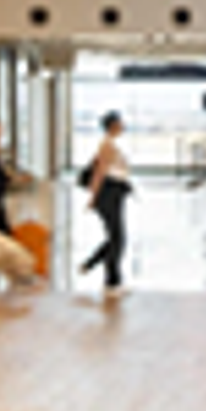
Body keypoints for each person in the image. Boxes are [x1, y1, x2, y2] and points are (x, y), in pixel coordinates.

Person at [78, 112, 132, 296]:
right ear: (113, 125)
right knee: (118, 238)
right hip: (108, 194)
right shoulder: (107, 145)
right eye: (120, 123)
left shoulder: (110, 144)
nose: (123, 125)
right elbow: (99, 173)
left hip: (115, 192)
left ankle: (91, 265)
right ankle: (111, 282)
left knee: (115, 238)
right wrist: (93, 198)